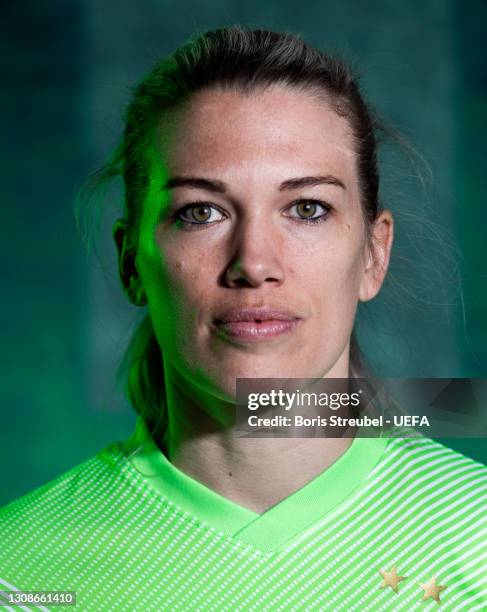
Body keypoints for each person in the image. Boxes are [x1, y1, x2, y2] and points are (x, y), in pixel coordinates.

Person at [1, 26, 485, 611]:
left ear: (373, 256)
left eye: (307, 209)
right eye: (200, 212)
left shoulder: (475, 539)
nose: (254, 263)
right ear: (131, 261)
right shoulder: (17, 571)